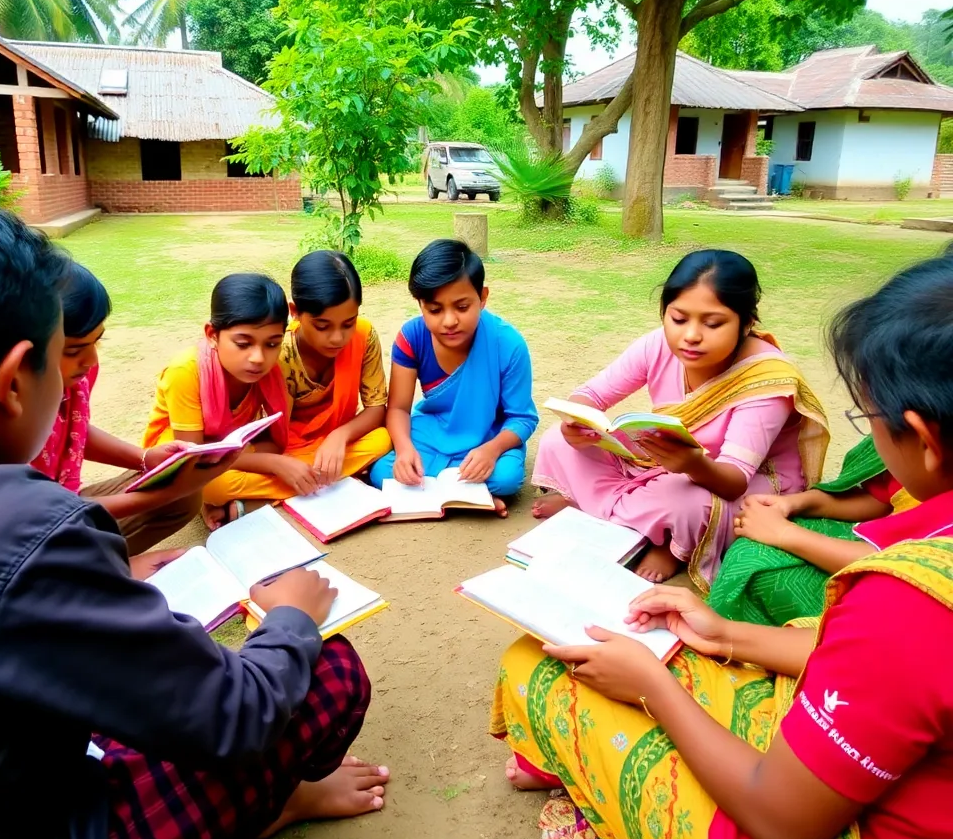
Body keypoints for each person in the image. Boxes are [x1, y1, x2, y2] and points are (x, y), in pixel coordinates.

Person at [0, 186, 388, 839]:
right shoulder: (22, 532)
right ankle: (269, 804)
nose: (78, 380)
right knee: (331, 670)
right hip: (35, 829)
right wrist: (291, 617)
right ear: (13, 383)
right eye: (66, 358)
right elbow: (233, 716)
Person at [491, 252, 953, 839]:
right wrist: (727, 635)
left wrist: (654, 689)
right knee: (583, 465)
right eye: (677, 317)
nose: (691, 334)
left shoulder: (905, 599)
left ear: (922, 437)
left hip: (856, 831)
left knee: (540, 667)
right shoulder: (921, 569)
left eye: (868, 416)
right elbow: (891, 676)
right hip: (881, 765)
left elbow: (784, 824)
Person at [531, 249, 829, 587]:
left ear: (746, 323)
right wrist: (578, 419)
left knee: (684, 500)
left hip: (739, 480)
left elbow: (734, 479)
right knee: (559, 439)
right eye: (678, 318)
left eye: (713, 323)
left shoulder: (765, 379)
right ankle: (627, 519)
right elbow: (593, 395)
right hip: (666, 460)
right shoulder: (657, 346)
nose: (691, 335)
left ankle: (667, 543)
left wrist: (692, 464)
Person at [31, 262, 213, 555]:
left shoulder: (76, 375)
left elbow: (70, 430)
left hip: (63, 500)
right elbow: (31, 517)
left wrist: (145, 458)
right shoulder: (2, 418)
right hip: (27, 533)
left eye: (97, 341)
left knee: (182, 495)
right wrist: (155, 497)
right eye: (73, 350)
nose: (91, 359)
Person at [369, 239, 539, 511]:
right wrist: (404, 450)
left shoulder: (509, 344)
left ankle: (462, 491)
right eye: (435, 310)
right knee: (382, 472)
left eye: (462, 307)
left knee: (507, 478)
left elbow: (522, 418)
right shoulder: (411, 337)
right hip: (432, 430)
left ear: (482, 297)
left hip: (488, 434)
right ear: (420, 304)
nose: (449, 321)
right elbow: (399, 408)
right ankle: (477, 498)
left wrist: (492, 450)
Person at [708, 434, 917, 625]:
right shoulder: (913, 445)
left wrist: (783, 533)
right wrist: (793, 503)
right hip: (878, 540)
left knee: (773, 580)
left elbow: (900, 566)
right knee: (751, 548)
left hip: (897, 585)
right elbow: (881, 499)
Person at [142, 272, 293, 528]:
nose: (258, 357)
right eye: (243, 343)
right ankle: (274, 493)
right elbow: (191, 457)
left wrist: (275, 459)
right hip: (182, 460)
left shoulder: (271, 372)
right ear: (212, 334)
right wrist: (274, 464)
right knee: (213, 487)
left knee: (312, 458)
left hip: (232, 450)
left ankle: (246, 501)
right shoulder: (185, 371)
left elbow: (274, 443)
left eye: (272, 344)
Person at [274, 250, 391, 493]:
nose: (338, 338)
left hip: (337, 442)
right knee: (220, 485)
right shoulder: (280, 353)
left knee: (383, 439)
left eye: (348, 323)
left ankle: (294, 487)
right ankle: (331, 477)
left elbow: (377, 409)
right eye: (322, 326)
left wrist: (340, 436)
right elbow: (272, 439)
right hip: (288, 447)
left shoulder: (363, 335)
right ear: (294, 312)